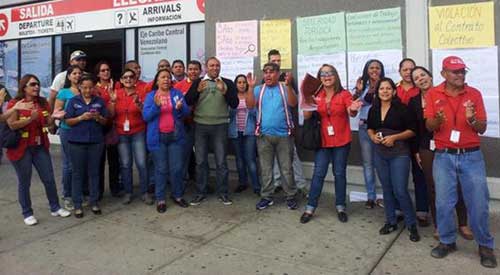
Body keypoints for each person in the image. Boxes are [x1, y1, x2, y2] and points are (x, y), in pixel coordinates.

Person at [425, 56, 496, 268]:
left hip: (471, 156)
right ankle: (447, 241)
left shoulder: (474, 94)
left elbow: (482, 128)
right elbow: (429, 125)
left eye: (462, 71)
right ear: (443, 73)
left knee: (478, 204)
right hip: (444, 156)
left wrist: (472, 118)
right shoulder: (433, 94)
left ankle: (485, 246)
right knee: (443, 203)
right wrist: (437, 121)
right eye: (455, 71)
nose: (460, 75)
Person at [409, 66, 473, 240]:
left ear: (430, 76)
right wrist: (416, 151)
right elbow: (414, 129)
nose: (421, 79)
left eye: (423, 75)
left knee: (457, 184)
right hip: (427, 147)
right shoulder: (414, 102)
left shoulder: (445, 93)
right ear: (414, 83)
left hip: (449, 144)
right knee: (433, 187)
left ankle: (462, 223)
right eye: (416, 78)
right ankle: (440, 225)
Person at [300, 64, 362, 224]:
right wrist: (306, 98)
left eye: (330, 73)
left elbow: (351, 111)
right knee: (318, 173)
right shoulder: (316, 94)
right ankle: (310, 207)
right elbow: (307, 117)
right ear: (319, 77)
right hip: (322, 141)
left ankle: (341, 206)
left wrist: (354, 109)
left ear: (336, 76)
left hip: (341, 141)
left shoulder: (344, 94)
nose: (327, 76)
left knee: (339, 173)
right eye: (323, 74)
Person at [6, 74, 71, 225]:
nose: (36, 87)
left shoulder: (42, 103)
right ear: (24, 87)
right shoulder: (15, 103)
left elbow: (48, 123)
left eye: (38, 84)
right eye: (33, 84)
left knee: (48, 178)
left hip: (40, 146)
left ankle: (55, 207)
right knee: (25, 181)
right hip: (21, 148)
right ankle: (27, 212)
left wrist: (54, 117)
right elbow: (12, 125)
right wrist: (30, 119)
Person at [367, 77, 420, 242]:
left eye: (388, 88)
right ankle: (390, 221)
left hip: (399, 153)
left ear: (394, 91)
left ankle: (411, 225)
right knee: (387, 189)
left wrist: (395, 137)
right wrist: (373, 136)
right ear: (377, 92)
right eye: (381, 89)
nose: (384, 91)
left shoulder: (403, 109)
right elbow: (370, 128)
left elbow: (413, 130)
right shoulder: (373, 110)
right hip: (380, 154)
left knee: (400, 190)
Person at [185, 57, 238, 206]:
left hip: (220, 125)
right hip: (201, 126)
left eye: (217, 65)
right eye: (212, 65)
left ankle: (223, 193)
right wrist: (197, 90)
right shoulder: (198, 82)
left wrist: (225, 91)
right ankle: (200, 193)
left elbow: (234, 104)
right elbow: (187, 101)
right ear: (206, 68)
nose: (215, 68)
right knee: (200, 161)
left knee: (221, 162)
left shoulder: (227, 82)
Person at [248, 62, 298, 210]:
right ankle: (267, 197)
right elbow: (250, 105)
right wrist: (250, 88)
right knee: (265, 169)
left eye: (271, 72)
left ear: (277, 74)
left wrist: (289, 86)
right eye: (266, 72)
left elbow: (293, 103)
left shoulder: (284, 88)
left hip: (284, 136)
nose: (268, 74)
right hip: (264, 136)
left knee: (286, 168)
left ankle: (290, 196)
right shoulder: (258, 90)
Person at [143, 69, 191, 212]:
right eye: (163, 77)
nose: (166, 80)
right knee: (161, 169)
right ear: (157, 81)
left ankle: (177, 195)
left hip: (175, 137)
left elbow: (187, 112)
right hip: (158, 138)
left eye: (168, 78)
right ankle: (161, 199)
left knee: (177, 169)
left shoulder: (176, 94)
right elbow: (146, 116)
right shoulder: (151, 96)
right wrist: (156, 106)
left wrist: (180, 109)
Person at [64, 75, 108, 218]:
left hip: (95, 142)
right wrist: (80, 118)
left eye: (90, 87)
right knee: (78, 173)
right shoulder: (72, 102)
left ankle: (94, 201)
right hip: (76, 142)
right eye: (84, 87)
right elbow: (68, 121)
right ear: (80, 88)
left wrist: (98, 118)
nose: (88, 90)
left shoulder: (100, 102)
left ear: (94, 88)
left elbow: (105, 121)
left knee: (94, 173)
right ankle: (77, 204)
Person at [266, 49, 308, 194]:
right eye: (273, 60)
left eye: (278, 61)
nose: (276, 63)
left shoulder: (288, 79)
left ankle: (301, 185)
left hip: (286, 126)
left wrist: (288, 85)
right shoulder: (264, 81)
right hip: (270, 128)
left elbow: (294, 103)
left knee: (293, 155)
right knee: (275, 156)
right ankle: (277, 182)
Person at [108, 69, 150, 205]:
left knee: (142, 163)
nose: (128, 79)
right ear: (121, 80)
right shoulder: (116, 94)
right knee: (125, 164)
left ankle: (145, 192)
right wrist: (113, 102)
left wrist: (139, 104)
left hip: (138, 131)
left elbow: (146, 114)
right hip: (121, 133)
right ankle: (128, 192)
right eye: (125, 77)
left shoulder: (141, 93)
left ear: (135, 79)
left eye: (131, 77)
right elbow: (111, 115)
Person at [397, 58, 429, 226]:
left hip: (418, 138)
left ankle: (422, 211)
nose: (408, 72)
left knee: (420, 175)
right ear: (400, 71)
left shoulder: (421, 90)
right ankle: (399, 209)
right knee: (399, 176)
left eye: (411, 69)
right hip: (399, 138)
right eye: (405, 69)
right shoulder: (394, 89)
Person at [353, 59, 385, 209]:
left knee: (382, 163)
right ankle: (371, 196)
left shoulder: (385, 85)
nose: (374, 70)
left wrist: (376, 87)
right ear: (367, 70)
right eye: (371, 68)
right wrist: (358, 91)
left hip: (380, 129)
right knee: (368, 164)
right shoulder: (362, 85)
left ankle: (387, 196)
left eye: (377, 68)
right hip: (364, 127)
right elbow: (355, 104)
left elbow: (378, 101)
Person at [54, 65, 83, 210]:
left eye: (79, 73)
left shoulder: (87, 90)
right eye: (74, 73)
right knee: (69, 165)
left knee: (80, 164)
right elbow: (57, 112)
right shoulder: (64, 93)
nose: (77, 75)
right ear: (69, 77)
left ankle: (79, 193)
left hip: (83, 131)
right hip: (68, 130)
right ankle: (67, 196)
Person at [95, 61, 122, 198]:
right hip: (99, 127)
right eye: (103, 70)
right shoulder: (94, 88)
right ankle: (99, 190)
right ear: (98, 73)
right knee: (99, 161)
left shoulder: (117, 85)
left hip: (113, 126)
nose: (106, 72)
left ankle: (115, 188)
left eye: (108, 70)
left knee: (114, 160)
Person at [228, 74, 260, 195]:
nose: (242, 84)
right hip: (235, 132)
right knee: (239, 159)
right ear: (235, 84)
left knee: (250, 159)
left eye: (244, 82)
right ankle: (242, 183)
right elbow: (229, 116)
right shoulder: (232, 97)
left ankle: (256, 185)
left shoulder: (251, 95)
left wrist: (249, 105)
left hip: (249, 131)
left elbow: (255, 114)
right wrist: (234, 107)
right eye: (239, 82)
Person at [174, 60, 202, 184]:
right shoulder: (178, 86)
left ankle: (202, 182)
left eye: (196, 69)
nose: (193, 71)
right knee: (184, 155)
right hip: (185, 125)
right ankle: (182, 183)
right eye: (190, 69)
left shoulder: (205, 84)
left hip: (201, 123)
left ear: (201, 71)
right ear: (187, 71)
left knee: (201, 156)